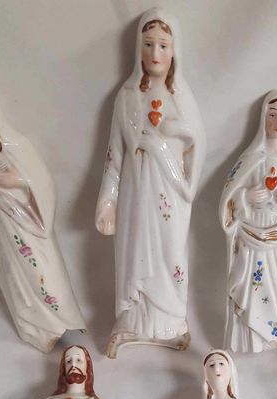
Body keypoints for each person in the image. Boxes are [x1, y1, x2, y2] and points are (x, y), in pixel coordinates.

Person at [96, 8, 205, 357]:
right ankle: (133, 322)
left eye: (162, 45)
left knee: (170, 253)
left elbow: (197, 147)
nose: (155, 53)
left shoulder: (181, 98)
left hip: (170, 196)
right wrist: (108, 200)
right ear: (137, 49)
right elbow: (114, 153)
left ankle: (171, 323)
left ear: (174, 50)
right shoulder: (127, 97)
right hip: (135, 193)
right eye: (148, 44)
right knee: (133, 253)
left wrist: (168, 143)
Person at [0, 75, 86, 352]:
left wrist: (20, 180)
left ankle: (61, 321)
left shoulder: (13, 144)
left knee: (43, 273)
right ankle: (34, 328)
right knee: (14, 280)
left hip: (26, 222)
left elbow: (44, 183)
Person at [218, 89, 277, 352]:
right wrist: (246, 197)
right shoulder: (250, 160)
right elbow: (228, 198)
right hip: (250, 236)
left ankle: (273, 336)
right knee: (250, 288)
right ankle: (247, 339)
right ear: (263, 118)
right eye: (272, 115)